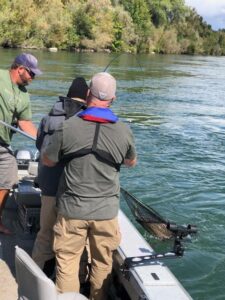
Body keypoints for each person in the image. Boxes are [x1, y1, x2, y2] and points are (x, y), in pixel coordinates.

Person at [42, 72, 137, 299]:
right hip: (105, 212)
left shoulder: (68, 127)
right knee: (102, 263)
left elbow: (48, 160)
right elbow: (131, 162)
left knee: (67, 261)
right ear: (113, 99)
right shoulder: (124, 131)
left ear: (87, 94)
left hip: (72, 209)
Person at [32, 77, 89, 275]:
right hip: (73, 189)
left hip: (48, 184)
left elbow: (39, 145)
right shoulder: (86, 120)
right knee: (73, 237)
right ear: (86, 98)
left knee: (45, 233)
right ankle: (77, 281)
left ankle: (36, 274)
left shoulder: (49, 117)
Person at [0, 53, 42, 234]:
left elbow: (25, 123)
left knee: (9, 172)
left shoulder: (24, 95)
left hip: (2, 143)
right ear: (20, 69)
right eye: (31, 73)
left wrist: (43, 139)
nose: (33, 78)